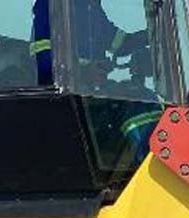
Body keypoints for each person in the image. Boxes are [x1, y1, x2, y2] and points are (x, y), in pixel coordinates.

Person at [30, 0, 161, 163]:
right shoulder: (49, 6)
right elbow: (44, 65)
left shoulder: (90, 7)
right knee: (135, 104)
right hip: (70, 98)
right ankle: (152, 164)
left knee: (142, 96)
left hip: (96, 91)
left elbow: (119, 43)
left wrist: (155, 34)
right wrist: (83, 71)